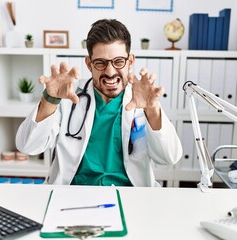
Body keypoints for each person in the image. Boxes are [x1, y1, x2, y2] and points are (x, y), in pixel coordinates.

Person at [16, 19, 182, 187]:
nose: (110, 72)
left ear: (130, 61)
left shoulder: (143, 101)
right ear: (89, 64)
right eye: (101, 63)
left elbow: (169, 157)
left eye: (118, 62)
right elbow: (28, 146)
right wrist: (49, 100)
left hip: (132, 197)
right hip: (72, 196)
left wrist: (152, 109)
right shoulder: (68, 97)